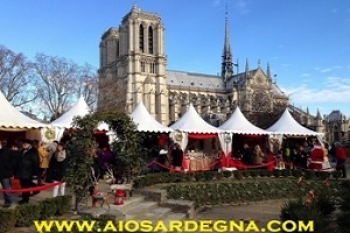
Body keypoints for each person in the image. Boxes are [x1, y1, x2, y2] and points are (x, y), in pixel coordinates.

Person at [14, 139, 40, 204]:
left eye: (25, 144)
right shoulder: (23, 150)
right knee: (22, 185)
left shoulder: (33, 151)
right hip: (21, 172)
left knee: (26, 186)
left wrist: (35, 173)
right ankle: (24, 195)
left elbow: (36, 162)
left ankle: (25, 200)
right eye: (23, 144)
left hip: (28, 172)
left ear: (29, 145)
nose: (23, 145)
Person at [0, 139, 16, 208]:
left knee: (6, 188)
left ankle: (8, 202)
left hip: (4, 174)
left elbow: (13, 161)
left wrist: (8, 167)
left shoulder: (8, 151)